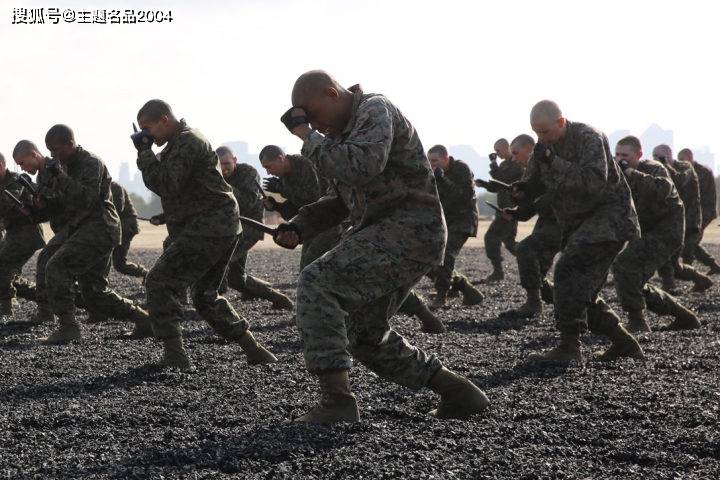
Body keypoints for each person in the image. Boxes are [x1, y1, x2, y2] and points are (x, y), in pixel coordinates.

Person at [274, 70, 490, 423]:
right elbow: (339, 198)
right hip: (390, 233)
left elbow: (361, 167)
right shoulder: (342, 136)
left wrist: (306, 136)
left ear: (332, 94)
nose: (314, 126)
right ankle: (458, 392)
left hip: (410, 230)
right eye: (307, 122)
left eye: (313, 116)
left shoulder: (374, 109)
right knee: (364, 335)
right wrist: (299, 225)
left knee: (317, 282)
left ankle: (337, 403)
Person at [133, 99, 276, 369]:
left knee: (158, 281)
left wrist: (144, 153)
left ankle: (175, 356)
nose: (145, 135)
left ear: (164, 120)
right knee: (205, 296)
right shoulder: (181, 142)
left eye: (147, 128)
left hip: (209, 228)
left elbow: (166, 184)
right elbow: (188, 192)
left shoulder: (187, 141)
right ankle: (254, 349)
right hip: (218, 226)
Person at [512, 100, 644, 363]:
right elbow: (536, 181)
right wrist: (523, 190)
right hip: (577, 225)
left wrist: (554, 161)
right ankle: (623, 343)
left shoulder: (589, 138)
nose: (541, 138)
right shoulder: (543, 147)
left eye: (545, 131)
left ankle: (569, 347)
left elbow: (593, 182)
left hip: (610, 218)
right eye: (537, 133)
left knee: (567, 270)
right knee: (583, 289)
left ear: (561, 122)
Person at [12, 134, 152, 344]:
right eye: (50, 151)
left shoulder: (90, 163)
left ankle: (68, 327)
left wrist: (60, 177)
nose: (53, 155)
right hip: (80, 229)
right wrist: (35, 210)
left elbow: (87, 198)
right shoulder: (59, 169)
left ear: (70, 144)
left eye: (56, 150)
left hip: (100, 228)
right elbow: (60, 206)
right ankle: (144, 320)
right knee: (94, 293)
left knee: (56, 266)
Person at [612, 136, 700, 331]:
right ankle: (684, 317)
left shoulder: (654, 168)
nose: (620, 159)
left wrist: (630, 172)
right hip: (645, 231)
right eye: (617, 155)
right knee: (631, 276)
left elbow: (663, 189)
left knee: (624, 266)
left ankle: (638, 321)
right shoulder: (618, 174)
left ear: (639, 154)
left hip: (667, 231)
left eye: (625, 155)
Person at [216, 146, 293, 310]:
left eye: (226, 163)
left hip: (249, 228)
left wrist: (223, 186)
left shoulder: (248, 173)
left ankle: (213, 302)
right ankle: (278, 298)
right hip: (227, 230)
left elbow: (248, 202)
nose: (223, 168)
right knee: (236, 278)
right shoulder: (214, 175)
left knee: (219, 262)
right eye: (219, 164)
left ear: (234, 160)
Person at [501, 134, 559, 318]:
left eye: (515, 153)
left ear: (529, 148)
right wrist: (515, 212)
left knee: (526, 249)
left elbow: (552, 195)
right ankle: (552, 300)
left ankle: (536, 303)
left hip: (567, 219)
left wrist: (528, 198)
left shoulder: (550, 163)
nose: (513, 158)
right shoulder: (530, 172)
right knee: (537, 265)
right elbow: (528, 209)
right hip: (549, 220)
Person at [421, 144, 484, 309]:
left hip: (464, 220)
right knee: (425, 256)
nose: (432, 164)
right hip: (446, 221)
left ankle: (442, 295)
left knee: (446, 254)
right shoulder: (432, 174)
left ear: (446, 159)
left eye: (435, 161)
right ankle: (464, 288)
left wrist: (443, 179)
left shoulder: (461, 169)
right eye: (429, 161)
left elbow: (464, 196)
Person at [259, 145, 341, 270]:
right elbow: (298, 207)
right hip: (313, 224)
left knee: (312, 267)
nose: (268, 172)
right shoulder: (285, 177)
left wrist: (281, 189)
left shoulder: (305, 165)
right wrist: (276, 205)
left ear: (280, 159)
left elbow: (312, 198)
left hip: (330, 221)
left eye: (269, 167)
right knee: (306, 268)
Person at [653, 145, 713, 292]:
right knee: (665, 254)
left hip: (690, 220)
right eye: (654, 156)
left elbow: (680, 180)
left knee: (681, 255)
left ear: (668, 155)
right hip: (672, 219)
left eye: (659, 156)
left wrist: (665, 165)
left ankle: (698, 279)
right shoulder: (658, 170)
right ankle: (670, 284)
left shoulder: (685, 166)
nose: (655, 159)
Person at [0, 152, 46, 317]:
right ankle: (48, 299)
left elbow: (5, 204)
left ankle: (6, 310)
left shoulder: (15, 181)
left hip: (27, 234)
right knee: (11, 277)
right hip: (14, 234)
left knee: (2, 268)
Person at [482, 138, 525, 282]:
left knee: (490, 238)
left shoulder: (517, 164)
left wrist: (493, 163)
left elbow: (502, 178)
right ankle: (531, 258)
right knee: (509, 242)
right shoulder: (505, 164)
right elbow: (497, 186)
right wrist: (484, 184)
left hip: (510, 209)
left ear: (507, 148)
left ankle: (498, 272)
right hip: (502, 209)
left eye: (498, 150)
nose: (496, 154)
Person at [678, 148, 720, 275]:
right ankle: (713, 266)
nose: (680, 162)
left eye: (682, 160)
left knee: (689, 242)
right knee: (690, 241)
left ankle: (689, 271)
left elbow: (696, 194)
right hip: (693, 213)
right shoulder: (686, 171)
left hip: (704, 212)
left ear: (690, 158)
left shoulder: (703, 172)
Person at [110, 181, 148, 278]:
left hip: (125, 227)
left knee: (119, 264)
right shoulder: (102, 188)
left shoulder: (114, 187)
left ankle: (146, 274)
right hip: (119, 227)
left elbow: (118, 208)